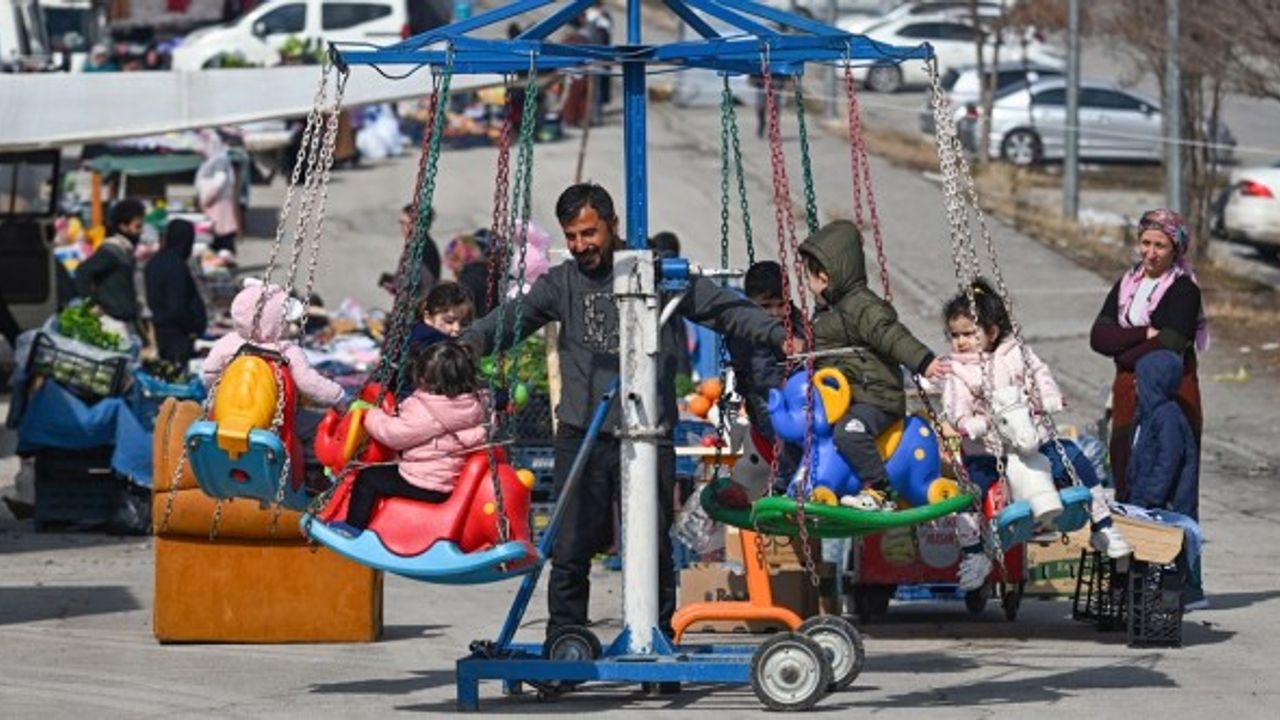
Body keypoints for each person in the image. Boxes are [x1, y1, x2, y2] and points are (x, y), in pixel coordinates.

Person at [461, 183, 793, 641]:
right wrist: (470, 343)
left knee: (650, 545)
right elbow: (512, 318)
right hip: (583, 433)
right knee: (572, 545)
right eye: (572, 236)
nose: (580, 246)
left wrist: (779, 334)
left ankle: (656, 639)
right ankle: (566, 639)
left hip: (648, 431)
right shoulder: (561, 284)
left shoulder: (654, 274)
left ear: (612, 224)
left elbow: (722, 310)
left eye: (588, 233)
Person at [941, 279, 1132, 589]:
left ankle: (1103, 525)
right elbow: (954, 404)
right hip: (986, 449)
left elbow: (1040, 378)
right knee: (968, 492)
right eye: (955, 335)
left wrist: (1049, 398)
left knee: (1072, 457)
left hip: (1033, 441)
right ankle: (974, 553)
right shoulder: (958, 371)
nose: (961, 342)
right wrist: (966, 421)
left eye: (969, 334)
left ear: (991, 332)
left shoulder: (1017, 354)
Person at [797, 220, 948, 510]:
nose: (807, 282)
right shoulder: (827, 311)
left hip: (876, 397)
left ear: (826, 276)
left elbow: (890, 335)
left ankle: (881, 490)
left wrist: (923, 361)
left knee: (849, 433)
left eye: (809, 275)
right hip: (849, 397)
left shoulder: (862, 307)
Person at [1090, 208, 1208, 500]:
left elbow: (1170, 343)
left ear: (1176, 248)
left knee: (1167, 467)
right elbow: (1099, 337)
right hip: (1127, 392)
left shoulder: (1184, 291)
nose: (1151, 253)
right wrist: (1143, 333)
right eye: (1146, 243)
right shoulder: (1127, 284)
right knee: (1125, 466)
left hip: (1170, 392)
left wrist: (1123, 350)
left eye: (1160, 246)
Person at [327, 341, 489, 537]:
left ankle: (353, 527)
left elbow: (393, 434)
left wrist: (371, 416)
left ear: (424, 379)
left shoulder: (428, 410)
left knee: (368, 477)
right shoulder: (474, 406)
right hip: (446, 483)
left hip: (420, 482)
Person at [1126, 349, 1204, 608]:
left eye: (1141, 378)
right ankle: (1159, 596)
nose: (1135, 383)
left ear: (1155, 381)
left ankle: (1185, 595)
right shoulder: (1148, 415)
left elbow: (1168, 461)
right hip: (1149, 500)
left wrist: (1152, 497)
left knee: (1173, 552)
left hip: (1169, 504)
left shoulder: (1168, 416)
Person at [201, 280, 344, 408]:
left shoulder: (228, 342)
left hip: (228, 412)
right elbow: (308, 383)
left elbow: (209, 372)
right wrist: (339, 395)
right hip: (273, 421)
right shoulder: (287, 350)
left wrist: (221, 392)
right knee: (316, 426)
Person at [726, 261, 805, 486]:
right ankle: (785, 475)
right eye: (766, 306)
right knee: (778, 424)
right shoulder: (747, 329)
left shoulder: (794, 319)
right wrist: (783, 388)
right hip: (763, 393)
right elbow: (761, 373)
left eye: (781, 305)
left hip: (794, 388)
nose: (775, 313)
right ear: (751, 303)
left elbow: (807, 340)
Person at [144, 219, 207, 366]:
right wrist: (192, 327)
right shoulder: (176, 266)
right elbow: (177, 307)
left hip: (162, 330)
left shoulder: (155, 262)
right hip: (177, 337)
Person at [75, 198, 145, 326]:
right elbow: (83, 271)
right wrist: (91, 305)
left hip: (125, 320)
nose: (141, 231)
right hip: (112, 321)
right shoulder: (112, 251)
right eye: (137, 226)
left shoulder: (125, 251)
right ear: (123, 227)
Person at [196, 131, 240, 257]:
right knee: (215, 236)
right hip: (215, 205)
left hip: (218, 205)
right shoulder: (213, 159)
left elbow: (219, 181)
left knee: (221, 235)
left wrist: (207, 197)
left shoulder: (219, 159)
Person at [409, 282, 475, 351]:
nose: (457, 328)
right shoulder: (427, 342)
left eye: (464, 323)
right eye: (449, 321)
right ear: (428, 317)